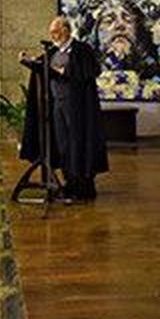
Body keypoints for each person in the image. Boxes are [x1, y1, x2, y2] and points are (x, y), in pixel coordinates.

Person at [20, 16, 108, 202]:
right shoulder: (52, 51)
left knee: (78, 144)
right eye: (51, 32)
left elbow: (92, 70)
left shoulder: (81, 50)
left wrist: (64, 71)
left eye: (56, 32)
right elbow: (42, 67)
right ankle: (69, 183)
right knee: (63, 144)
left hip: (78, 108)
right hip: (57, 105)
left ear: (66, 30)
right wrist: (28, 61)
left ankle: (83, 187)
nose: (53, 35)